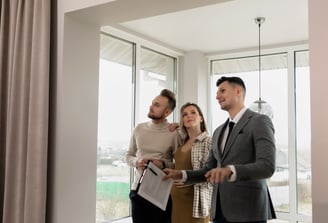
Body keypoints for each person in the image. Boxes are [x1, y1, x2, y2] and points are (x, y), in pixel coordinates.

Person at [163, 76, 276, 223]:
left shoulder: (259, 121)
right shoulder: (218, 131)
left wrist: (230, 171)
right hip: (219, 211)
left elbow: (267, 166)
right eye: (217, 92)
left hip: (248, 210)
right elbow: (208, 170)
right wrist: (181, 174)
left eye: (222, 91)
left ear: (238, 91)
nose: (217, 96)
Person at [125, 88, 178, 223]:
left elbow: (178, 164)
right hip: (138, 190)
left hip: (161, 194)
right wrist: (138, 161)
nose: (151, 106)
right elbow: (128, 156)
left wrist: (163, 164)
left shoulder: (174, 132)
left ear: (167, 112)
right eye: (153, 103)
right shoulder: (139, 128)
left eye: (157, 105)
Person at [171, 102, 213, 223]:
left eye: (193, 112)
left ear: (201, 118)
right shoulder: (181, 143)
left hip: (196, 205)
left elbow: (213, 176)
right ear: (182, 121)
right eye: (185, 114)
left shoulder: (209, 142)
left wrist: (190, 181)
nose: (189, 116)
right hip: (177, 203)